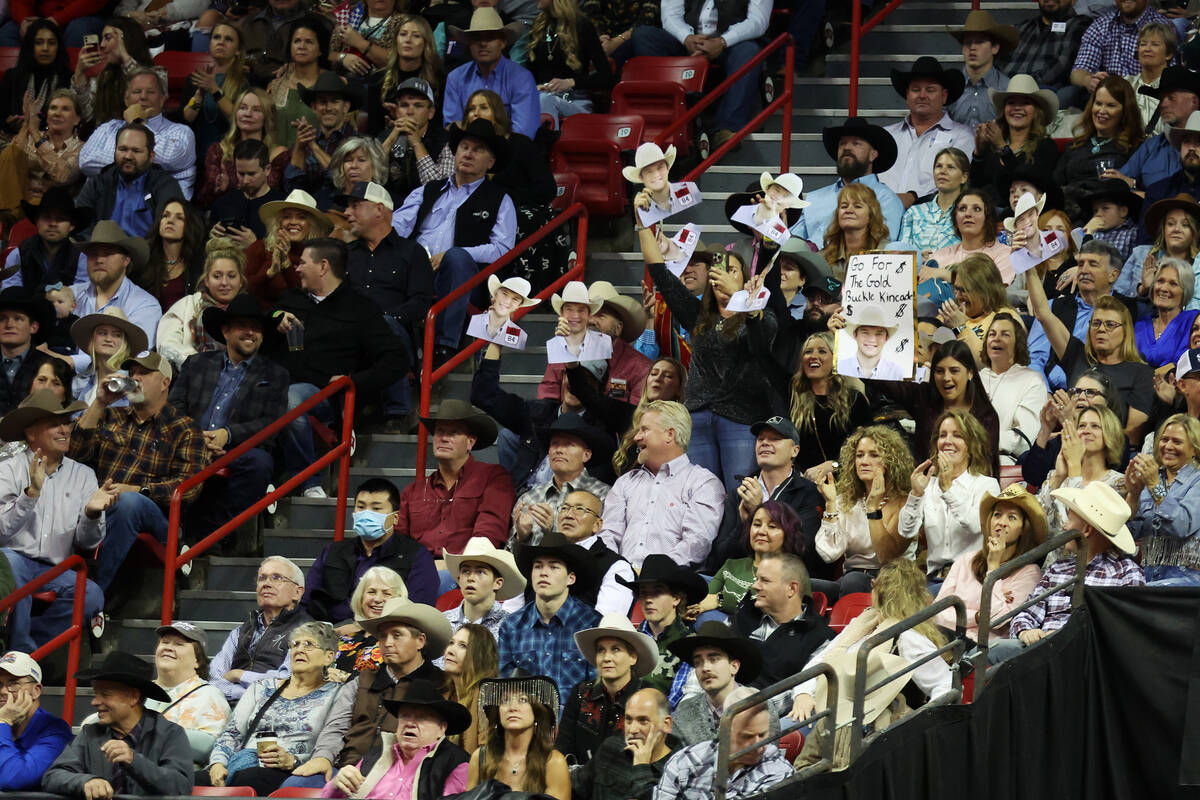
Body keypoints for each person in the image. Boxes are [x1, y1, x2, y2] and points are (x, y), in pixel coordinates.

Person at [641, 213, 776, 489]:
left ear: (745, 278)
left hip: (742, 418)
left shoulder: (762, 315)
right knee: (701, 493)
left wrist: (742, 299)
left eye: (733, 271)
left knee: (737, 492)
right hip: (698, 416)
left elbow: (762, 342)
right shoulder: (698, 316)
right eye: (718, 272)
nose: (724, 277)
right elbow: (659, 272)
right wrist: (643, 220)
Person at [272, 237, 408, 497]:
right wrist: (276, 318)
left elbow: (396, 359)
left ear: (323, 267)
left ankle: (310, 483)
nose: (296, 268)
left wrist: (354, 381)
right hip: (275, 381)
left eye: (302, 263)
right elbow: (265, 317)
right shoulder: (291, 299)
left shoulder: (360, 308)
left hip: (324, 395)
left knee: (290, 401)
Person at [67, 351, 205, 592]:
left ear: (165, 383)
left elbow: (188, 487)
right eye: (132, 373)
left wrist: (138, 490)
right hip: (100, 506)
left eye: (144, 373)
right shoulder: (109, 415)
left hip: (157, 519)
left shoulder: (185, 428)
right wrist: (99, 402)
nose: (135, 378)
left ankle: (94, 594)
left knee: (130, 503)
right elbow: (73, 454)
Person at [391, 118, 517, 362]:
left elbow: (503, 250)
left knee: (457, 257)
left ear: (490, 162)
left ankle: (444, 346)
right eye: (464, 147)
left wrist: (452, 253)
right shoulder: (427, 190)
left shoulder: (500, 199)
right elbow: (397, 227)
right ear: (455, 152)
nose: (468, 153)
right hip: (415, 270)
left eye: (478, 150)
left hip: (464, 279)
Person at [171, 293, 289, 543]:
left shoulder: (275, 373)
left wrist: (228, 434)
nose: (250, 333)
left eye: (256, 328)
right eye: (243, 326)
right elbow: (173, 410)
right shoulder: (196, 364)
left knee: (260, 463)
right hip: (190, 443)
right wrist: (195, 437)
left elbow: (271, 422)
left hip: (238, 449)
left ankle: (210, 535)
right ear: (225, 331)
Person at [0, 390, 110, 654]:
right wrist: (30, 495)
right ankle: (21, 652)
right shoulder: (8, 469)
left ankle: (28, 651)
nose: (65, 430)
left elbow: (89, 542)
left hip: (57, 568)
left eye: (67, 422)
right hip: (11, 557)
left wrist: (92, 514)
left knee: (92, 595)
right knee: (12, 567)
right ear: (31, 433)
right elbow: (1, 532)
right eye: (54, 424)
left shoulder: (84, 475)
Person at [989, 482, 1144, 663]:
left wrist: (1069, 635)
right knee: (988, 652)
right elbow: (1026, 613)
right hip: (1041, 651)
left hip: (1088, 658)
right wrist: (1025, 631)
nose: (1063, 526)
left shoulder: (1127, 573)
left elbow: (1125, 631)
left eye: (1069, 519)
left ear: (1086, 530)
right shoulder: (1057, 568)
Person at [786, 560, 952, 726]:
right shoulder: (863, 622)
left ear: (881, 591)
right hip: (820, 702)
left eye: (874, 586)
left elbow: (945, 685)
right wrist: (803, 694)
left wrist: (917, 725)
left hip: (857, 720)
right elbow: (822, 660)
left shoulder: (908, 637)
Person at [312, 599, 450, 788]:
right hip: (344, 770)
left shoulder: (441, 684)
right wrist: (323, 757)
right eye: (383, 637)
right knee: (296, 783)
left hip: (402, 777)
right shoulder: (362, 679)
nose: (387, 643)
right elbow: (337, 726)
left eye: (397, 635)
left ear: (420, 641)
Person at [204, 622, 347, 797]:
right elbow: (232, 733)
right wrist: (218, 763)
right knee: (191, 780)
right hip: (242, 763)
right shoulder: (261, 687)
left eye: (308, 644)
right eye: (295, 644)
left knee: (253, 778)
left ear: (328, 657)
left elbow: (331, 744)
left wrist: (292, 761)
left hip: (291, 770)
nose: (299, 650)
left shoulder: (337, 694)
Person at [1026, 251, 1154, 441]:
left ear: (1126, 331)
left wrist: (1076, 424)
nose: (1101, 329)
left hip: (1112, 454)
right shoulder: (1078, 356)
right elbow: (1044, 313)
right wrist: (1028, 263)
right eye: (1096, 323)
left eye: (1110, 324)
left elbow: (1132, 436)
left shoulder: (1140, 371)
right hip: (1069, 443)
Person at [342, 180, 431, 431]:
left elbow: (421, 302)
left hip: (393, 330)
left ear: (379, 210)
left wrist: (382, 318)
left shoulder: (412, 252)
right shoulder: (344, 253)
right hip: (349, 332)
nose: (347, 213)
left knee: (384, 325)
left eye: (355, 206)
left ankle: (398, 411)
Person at [41, 651, 191, 798]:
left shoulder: (170, 734)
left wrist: (134, 761)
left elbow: (180, 786)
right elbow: (53, 776)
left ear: (133, 697)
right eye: (95, 694)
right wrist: (86, 781)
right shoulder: (90, 734)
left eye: (105, 694)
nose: (95, 702)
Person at [598, 400, 725, 570]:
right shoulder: (625, 482)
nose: (636, 437)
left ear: (669, 435)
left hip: (672, 583)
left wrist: (656, 571)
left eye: (645, 429)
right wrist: (616, 569)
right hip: (621, 579)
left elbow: (697, 542)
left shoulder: (703, 483)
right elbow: (608, 534)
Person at [627, 0, 769, 149]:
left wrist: (722, 41)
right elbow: (670, 15)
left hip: (732, 42)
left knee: (748, 51)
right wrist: (687, 38)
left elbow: (758, 21)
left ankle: (728, 127)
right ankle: (670, 120)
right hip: (689, 40)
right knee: (644, 35)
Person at [463, 89, 564, 291]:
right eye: (471, 109)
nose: (476, 113)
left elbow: (547, 188)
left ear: (498, 113)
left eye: (483, 107)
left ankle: (523, 288)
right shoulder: (464, 151)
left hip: (521, 210)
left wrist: (503, 201)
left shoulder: (520, 144)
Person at [703, 417, 824, 580]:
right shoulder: (740, 494)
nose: (765, 443)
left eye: (775, 439)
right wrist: (744, 524)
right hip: (739, 580)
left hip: (786, 582)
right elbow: (719, 559)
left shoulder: (810, 493)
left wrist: (758, 513)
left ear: (794, 451)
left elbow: (805, 552)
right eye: (761, 439)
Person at [305, 476, 439, 621]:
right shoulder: (333, 551)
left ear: (395, 517)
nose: (366, 514)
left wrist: (360, 627)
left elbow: (418, 611)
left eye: (376, 508)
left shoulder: (416, 556)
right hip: (328, 632)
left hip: (383, 633)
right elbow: (307, 600)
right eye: (361, 507)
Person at [395, 400, 515, 554]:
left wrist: (457, 567)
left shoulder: (494, 478)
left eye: (453, 433)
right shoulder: (413, 491)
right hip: (419, 572)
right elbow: (399, 540)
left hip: (469, 570)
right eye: (439, 431)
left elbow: (488, 533)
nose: (443, 438)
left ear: (470, 442)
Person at [865, 339, 1002, 473]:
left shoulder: (986, 416)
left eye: (954, 371)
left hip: (969, 492)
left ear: (970, 373)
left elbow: (987, 468)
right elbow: (876, 377)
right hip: (924, 488)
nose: (946, 377)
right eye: (939, 371)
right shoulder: (923, 397)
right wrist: (845, 338)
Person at [498, 532, 602, 704]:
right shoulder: (512, 626)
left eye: (554, 567)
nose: (543, 573)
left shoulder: (591, 624)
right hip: (526, 724)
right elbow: (505, 688)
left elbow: (596, 689)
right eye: (538, 566)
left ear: (571, 578)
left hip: (573, 726)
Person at [899, 409, 1001, 585]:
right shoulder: (928, 486)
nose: (947, 441)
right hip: (933, 578)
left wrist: (947, 489)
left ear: (971, 445)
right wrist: (916, 494)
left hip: (969, 579)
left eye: (957, 436)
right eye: (942, 435)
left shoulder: (987, 485)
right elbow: (906, 531)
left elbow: (974, 525)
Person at [324, 679, 471, 799]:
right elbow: (330, 796)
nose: (410, 723)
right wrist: (336, 786)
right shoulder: (377, 754)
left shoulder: (457, 764)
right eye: (405, 716)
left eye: (421, 717)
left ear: (442, 728)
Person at [934, 486, 1047, 641]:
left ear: (1023, 529)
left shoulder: (1029, 573)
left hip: (979, 648)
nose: (1002, 523)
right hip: (943, 637)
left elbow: (996, 620)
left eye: (1012, 517)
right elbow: (938, 612)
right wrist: (977, 616)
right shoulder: (966, 560)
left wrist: (993, 567)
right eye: (997, 515)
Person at [814, 425, 914, 598]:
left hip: (894, 581)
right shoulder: (845, 501)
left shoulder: (906, 502)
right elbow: (828, 554)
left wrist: (873, 508)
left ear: (891, 460)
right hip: (850, 579)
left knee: (853, 581)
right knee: (800, 584)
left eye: (874, 455)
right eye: (859, 455)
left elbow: (886, 557)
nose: (864, 461)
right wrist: (830, 503)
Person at [652, 686, 792, 800]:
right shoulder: (685, 761)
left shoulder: (779, 772)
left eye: (762, 734)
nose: (758, 744)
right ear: (725, 731)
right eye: (747, 736)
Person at [208, 555, 314, 702]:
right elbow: (214, 679)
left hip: (275, 711)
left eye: (276, 578)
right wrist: (247, 694)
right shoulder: (240, 632)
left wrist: (239, 675)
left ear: (298, 592)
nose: (266, 584)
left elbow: (286, 682)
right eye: (262, 578)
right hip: (226, 706)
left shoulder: (307, 631)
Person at [77, 69, 196, 199]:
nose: (143, 97)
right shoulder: (108, 128)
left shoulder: (181, 132)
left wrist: (138, 122)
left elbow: (168, 158)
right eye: (137, 92)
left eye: (150, 92)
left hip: (159, 212)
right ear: (126, 100)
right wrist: (139, 162)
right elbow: (86, 162)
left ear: (162, 99)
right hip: (105, 209)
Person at [539, 279, 653, 413]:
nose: (591, 321)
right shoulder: (564, 352)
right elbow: (547, 400)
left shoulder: (640, 367)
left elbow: (636, 419)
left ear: (618, 328)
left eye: (601, 316)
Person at [559, 613, 658, 764]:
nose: (607, 658)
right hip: (580, 782)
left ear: (633, 657)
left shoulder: (649, 698)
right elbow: (562, 749)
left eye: (616, 649)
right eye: (601, 650)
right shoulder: (580, 693)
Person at [878, 56, 975, 208]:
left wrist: (912, 198)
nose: (922, 95)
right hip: (881, 216)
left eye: (930, 90)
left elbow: (955, 182)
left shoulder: (962, 137)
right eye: (916, 89)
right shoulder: (886, 136)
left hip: (933, 221)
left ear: (944, 96)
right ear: (907, 95)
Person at [791, 117, 903, 249]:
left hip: (862, 266)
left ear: (873, 154)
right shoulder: (813, 199)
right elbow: (793, 244)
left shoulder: (887, 199)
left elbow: (885, 248)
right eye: (842, 143)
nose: (847, 148)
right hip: (813, 266)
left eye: (856, 143)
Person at [732, 552, 833, 692]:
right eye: (756, 579)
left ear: (791, 589)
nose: (755, 586)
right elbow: (710, 654)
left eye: (764, 580)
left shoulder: (820, 637)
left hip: (764, 709)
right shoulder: (746, 613)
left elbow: (803, 692)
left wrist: (748, 702)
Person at [509, 414, 612, 546]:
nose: (559, 450)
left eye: (569, 444)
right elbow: (508, 555)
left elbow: (603, 550)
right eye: (554, 444)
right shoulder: (529, 499)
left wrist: (553, 532)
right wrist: (521, 538)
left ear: (586, 455)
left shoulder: (603, 495)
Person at [466, 672, 570, 798]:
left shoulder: (553, 762)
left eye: (522, 700)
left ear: (536, 711)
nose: (512, 707)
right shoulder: (480, 758)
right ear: (498, 713)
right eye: (505, 700)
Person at [74, 122, 185, 239]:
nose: (128, 156)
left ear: (151, 156)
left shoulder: (165, 185)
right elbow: (81, 227)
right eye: (123, 149)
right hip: (101, 252)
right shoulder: (99, 183)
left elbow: (169, 232)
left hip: (146, 254)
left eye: (136, 151)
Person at [1052, 77, 1144, 218]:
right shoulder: (1074, 146)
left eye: (1110, 105)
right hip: (1070, 214)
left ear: (1125, 110)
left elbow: (1148, 191)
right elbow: (1054, 187)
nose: (1101, 110)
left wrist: (1129, 183)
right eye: (1098, 103)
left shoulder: (1136, 147)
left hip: (1109, 218)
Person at [785, 331, 873, 478]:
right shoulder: (793, 398)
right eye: (808, 351)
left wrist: (834, 465)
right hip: (804, 485)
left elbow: (868, 449)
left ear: (835, 358)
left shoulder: (854, 401)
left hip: (847, 483)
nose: (813, 356)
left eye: (822, 351)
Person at [1125, 413, 1200, 585]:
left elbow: (1181, 525)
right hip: (1150, 579)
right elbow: (1128, 536)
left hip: (1189, 583)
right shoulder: (1150, 478)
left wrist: (1154, 485)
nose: (1168, 446)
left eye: (1177, 441)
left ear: (1194, 448)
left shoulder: (1197, 481)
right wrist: (1134, 495)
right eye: (1164, 439)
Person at [442, 8, 539, 137]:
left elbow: (524, 133)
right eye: (477, 38)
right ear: (469, 44)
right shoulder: (455, 78)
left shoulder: (521, 78)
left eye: (490, 37)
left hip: (511, 152)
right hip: (468, 150)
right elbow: (452, 128)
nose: (483, 43)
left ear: (503, 43)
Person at [571, 687, 681, 800]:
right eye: (628, 720)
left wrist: (641, 766)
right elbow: (573, 787)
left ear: (666, 724)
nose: (633, 729)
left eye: (643, 720)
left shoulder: (682, 770)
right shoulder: (611, 748)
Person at [619, 555, 706, 696]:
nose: (648, 599)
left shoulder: (690, 645)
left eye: (657, 592)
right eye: (643, 593)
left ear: (676, 598)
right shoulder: (628, 641)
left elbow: (677, 702)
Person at [148, 622, 231, 767]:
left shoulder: (209, 695)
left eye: (179, 644)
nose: (168, 647)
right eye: (165, 642)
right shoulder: (137, 692)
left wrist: (146, 732)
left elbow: (209, 747)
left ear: (197, 661)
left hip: (175, 779)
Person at [156, 240, 248, 370]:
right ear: (207, 280)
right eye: (217, 276)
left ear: (240, 281)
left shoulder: (249, 311)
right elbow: (167, 345)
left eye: (231, 276)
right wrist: (201, 366)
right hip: (191, 377)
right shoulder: (188, 305)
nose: (224, 282)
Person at [1036, 404, 1128, 535]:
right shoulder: (1055, 475)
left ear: (1110, 434)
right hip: (1050, 554)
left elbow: (1080, 528)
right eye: (1081, 426)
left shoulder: (1118, 483)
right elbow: (1036, 523)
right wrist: (1057, 477)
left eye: (1095, 426)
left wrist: (1074, 467)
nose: (1086, 431)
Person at [968, 75, 1060, 203]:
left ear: (1036, 111)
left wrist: (1003, 148)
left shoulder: (1046, 147)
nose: (1017, 108)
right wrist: (979, 152)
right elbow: (975, 186)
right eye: (1011, 103)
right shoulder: (992, 145)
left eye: (1025, 103)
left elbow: (1028, 182)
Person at [668, 623, 762, 745]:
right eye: (698, 662)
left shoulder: (759, 708)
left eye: (714, 660)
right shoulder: (684, 710)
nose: (705, 668)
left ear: (734, 667)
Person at [199, 87, 290, 212]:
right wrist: (219, 190)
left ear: (267, 117)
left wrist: (232, 188)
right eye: (242, 108)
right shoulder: (219, 151)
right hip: (225, 217)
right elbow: (204, 202)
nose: (247, 114)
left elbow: (284, 199)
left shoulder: (278, 154)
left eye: (256, 110)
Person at [1115, 65, 1200, 193]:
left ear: (1193, 101)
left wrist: (1139, 189)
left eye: (1171, 98)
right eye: (1161, 98)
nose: (1163, 104)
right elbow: (1120, 180)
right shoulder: (1152, 146)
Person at [245, 189, 334, 309]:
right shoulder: (259, 248)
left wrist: (286, 264)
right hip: (264, 319)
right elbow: (244, 290)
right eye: (287, 217)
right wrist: (269, 272)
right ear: (279, 222)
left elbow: (311, 297)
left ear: (312, 224)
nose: (293, 222)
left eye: (301, 217)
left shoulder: (319, 257)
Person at [979, 312, 1048, 465]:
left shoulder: (1032, 380)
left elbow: (1024, 438)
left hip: (1004, 461)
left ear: (1018, 343)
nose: (996, 338)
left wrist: (979, 440)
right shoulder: (975, 379)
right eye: (992, 334)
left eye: (1005, 334)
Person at [0, 88, 84, 215]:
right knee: (9, 153)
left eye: (65, 109)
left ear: (77, 119)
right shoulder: (31, 135)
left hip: (51, 208)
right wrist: (27, 124)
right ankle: (8, 214)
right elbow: (11, 160)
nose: (57, 113)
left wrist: (35, 135)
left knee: (25, 209)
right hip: (17, 198)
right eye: (53, 108)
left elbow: (63, 176)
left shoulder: (81, 148)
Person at [527, 0, 612, 123]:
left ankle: (546, 141)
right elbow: (531, 73)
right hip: (542, 96)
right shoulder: (539, 26)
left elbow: (606, 77)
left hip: (575, 101)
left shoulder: (582, 25)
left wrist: (570, 82)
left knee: (545, 101)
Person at [555, 489, 638, 615]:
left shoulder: (616, 567)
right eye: (564, 508)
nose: (568, 515)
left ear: (597, 525)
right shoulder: (544, 557)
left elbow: (606, 625)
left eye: (580, 509)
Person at [0, 651, 73, 791]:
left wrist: (3, 722)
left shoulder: (55, 731)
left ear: (36, 691)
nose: (3, 691)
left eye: (13, 684)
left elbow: (14, 779)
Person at [1115, 192, 1200, 310]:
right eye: (1170, 224)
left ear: (1194, 232)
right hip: (1137, 324)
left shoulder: (1198, 265)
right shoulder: (1140, 254)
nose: (1176, 229)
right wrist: (1143, 289)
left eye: (1185, 225)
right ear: (1163, 229)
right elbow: (1116, 300)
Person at [1069, 0, 1170, 96]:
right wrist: (1089, 81)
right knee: (1068, 96)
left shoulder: (1163, 27)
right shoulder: (1101, 25)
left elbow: (1171, 77)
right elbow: (1078, 71)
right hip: (1108, 96)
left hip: (1147, 95)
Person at [379, 77, 454, 206]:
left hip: (428, 210)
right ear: (397, 111)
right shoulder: (385, 137)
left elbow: (439, 191)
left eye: (418, 105)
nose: (410, 111)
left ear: (431, 112)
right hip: (388, 208)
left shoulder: (446, 141)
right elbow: (367, 177)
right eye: (404, 105)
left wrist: (416, 143)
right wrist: (391, 138)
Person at [997, 0, 1089, 102]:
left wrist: (1021, 84)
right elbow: (1000, 63)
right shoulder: (1023, 27)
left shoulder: (1080, 25)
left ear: (1074, 1)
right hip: (1005, 89)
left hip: (1042, 93)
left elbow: (1062, 66)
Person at [182, 21, 247, 160]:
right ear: (210, 43)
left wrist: (214, 89)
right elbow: (188, 117)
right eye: (216, 37)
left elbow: (240, 118)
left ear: (238, 50)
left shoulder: (245, 81)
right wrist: (199, 94)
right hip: (199, 156)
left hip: (231, 156)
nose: (221, 42)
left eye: (228, 39)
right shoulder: (195, 78)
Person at [2, 188, 88, 292]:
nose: (53, 224)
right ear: (36, 221)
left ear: (71, 226)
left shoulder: (81, 258)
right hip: (25, 308)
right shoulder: (18, 254)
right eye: (47, 217)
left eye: (60, 219)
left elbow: (82, 296)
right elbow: (10, 293)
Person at [266, 21, 334, 151]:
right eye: (297, 41)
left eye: (309, 42)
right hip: (276, 159)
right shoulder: (275, 85)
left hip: (317, 161)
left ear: (320, 50)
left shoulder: (332, 84)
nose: (302, 46)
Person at [330, 566, 409, 675]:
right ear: (361, 597)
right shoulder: (341, 633)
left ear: (399, 599)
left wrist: (342, 677)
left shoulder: (403, 639)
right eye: (371, 592)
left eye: (387, 593)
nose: (377, 599)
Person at [442, 537, 524, 639]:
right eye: (466, 571)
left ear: (498, 583)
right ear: (459, 580)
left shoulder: (512, 627)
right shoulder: (442, 623)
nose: (471, 578)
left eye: (480, 572)